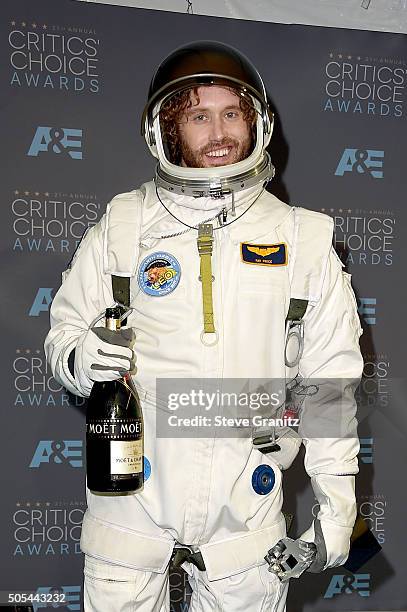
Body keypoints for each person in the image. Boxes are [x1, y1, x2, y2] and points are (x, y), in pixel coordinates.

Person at [44, 41, 363, 611]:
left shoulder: (304, 240)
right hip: (129, 516)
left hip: (246, 523)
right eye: (198, 115)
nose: (219, 132)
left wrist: (337, 515)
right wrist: (81, 358)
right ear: (168, 131)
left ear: (257, 122)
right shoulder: (125, 225)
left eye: (231, 113)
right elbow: (65, 332)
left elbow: (330, 387)